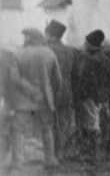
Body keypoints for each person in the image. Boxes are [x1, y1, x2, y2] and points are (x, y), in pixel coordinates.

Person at [12, 28, 62, 168]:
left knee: (18, 130)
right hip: (45, 99)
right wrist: (52, 96)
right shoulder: (49, 53)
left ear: (29, 38)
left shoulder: (18, 53)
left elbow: (14, 78)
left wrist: (31, 91)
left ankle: (18, 161)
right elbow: (57, 79)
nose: (24, 39)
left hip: (23, 99)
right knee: (47, 129)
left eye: (25, 37)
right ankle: (50, 159)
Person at [73, 30, 110, 164]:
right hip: (102, 95)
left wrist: (79, 95)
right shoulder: (106, 58)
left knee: (91, 125)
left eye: (86, 42)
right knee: (99, 122)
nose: (84, 44)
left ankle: (92, 155)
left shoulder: (89, 59)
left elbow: (83, 78)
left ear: (91, 44)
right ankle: (101, 151)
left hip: (89, 95)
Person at [44, 19, 80, 160]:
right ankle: (61, 152)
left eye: (46, 33)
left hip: (50, 91)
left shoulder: (46, 50)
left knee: (50, 123)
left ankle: (52, 152)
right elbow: (76, 75)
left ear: (50, 34)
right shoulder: (71, 51)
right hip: (66, 92)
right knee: (64, 123)